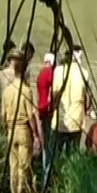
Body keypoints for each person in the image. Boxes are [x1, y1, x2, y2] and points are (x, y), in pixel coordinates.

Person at [0, 49, 41, 193]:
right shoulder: (26, 91)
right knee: (24, 167)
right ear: (24, 73)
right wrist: (36, 135)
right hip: (23, 130)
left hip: (10, 131)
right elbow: (31, 115)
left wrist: (5, 130)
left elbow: (2, 116)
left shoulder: (6, 91)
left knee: (13, 167)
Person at [51, 45, 90, 160]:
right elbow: (88, 98)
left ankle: (53, 175)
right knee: (72, 155)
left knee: (55, 155)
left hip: (59, 120)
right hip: (76, 121)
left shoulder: (58, 71)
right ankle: (69, 176)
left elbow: (54, 95)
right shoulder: (85, 73)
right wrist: (86, 112)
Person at [36, 53, 55, 184]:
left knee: (45, 143)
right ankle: (46, 176)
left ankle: (44, 172)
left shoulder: (40, 74)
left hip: (41, 110)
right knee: (49, 146)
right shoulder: (50, 74)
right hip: (48, 111)